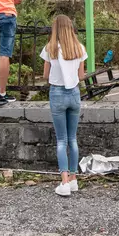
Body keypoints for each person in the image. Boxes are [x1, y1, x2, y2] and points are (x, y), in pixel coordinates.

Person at [40, 15, 87, 196]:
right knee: (73, 139)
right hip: (74, 93)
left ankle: (64, 182)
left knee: (61, 140)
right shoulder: (79, 48)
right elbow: (81, 76)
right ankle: (74, 179)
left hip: (57, 93)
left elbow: (45, 75)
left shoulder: (50, 48)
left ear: (56, 29)